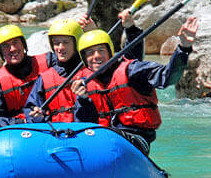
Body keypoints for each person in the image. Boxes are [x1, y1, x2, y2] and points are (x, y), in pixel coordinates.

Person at [74, 15, 200, 154]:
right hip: (104, 140)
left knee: (110, 140)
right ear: (84, 59)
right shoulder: (84, 85)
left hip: (136, 139)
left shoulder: (133, 70)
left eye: (101, 51)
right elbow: (85, 126)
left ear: (110, 52)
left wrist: (183, 48)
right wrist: (84, 100)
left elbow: (168, 77)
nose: (96, 56)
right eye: (90, 53)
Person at [25, 11, 146, 123]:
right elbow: (30, 109)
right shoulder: (45, 78)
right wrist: (37, 116)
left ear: (77, 43)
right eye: (56, 43)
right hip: (58, 137)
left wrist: (131, 29)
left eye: (66, 42)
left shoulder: (94, 68)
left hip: (94, 134)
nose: (60, 48)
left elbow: (129, 60)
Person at [0, 24, 52, 129]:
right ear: (1, 52)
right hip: (18, 131)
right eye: (6, 46)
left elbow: (71, 59)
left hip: (51, 124)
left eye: (16, 42)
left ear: (23, 44)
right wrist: (23, 121)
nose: (13, 49)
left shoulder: (48, 61)